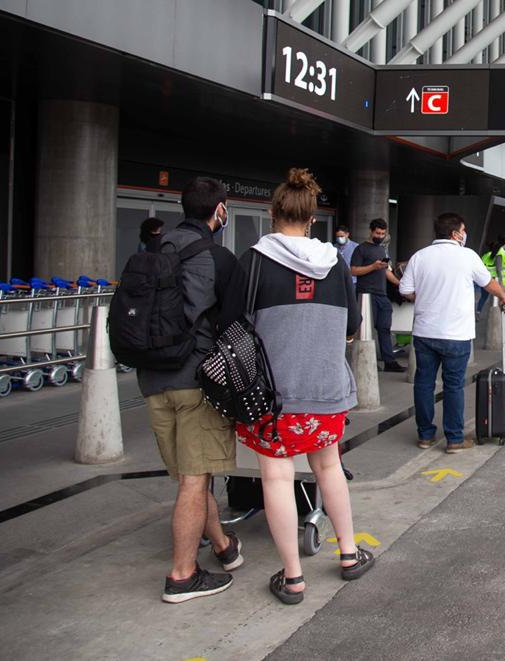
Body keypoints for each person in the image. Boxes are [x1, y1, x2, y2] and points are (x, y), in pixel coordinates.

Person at [220, 168, 373, 604]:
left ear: (273, 213)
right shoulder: (336, 265)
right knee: (329, 468)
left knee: (277, 476)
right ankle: (348, 554)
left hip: (272, 397)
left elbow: (231, 325)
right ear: (311, 218)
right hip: (326, 391)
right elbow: (351, 328)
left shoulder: (253, 260)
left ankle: (293, 578)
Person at [139, 178, 243, 604]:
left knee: (190, 477)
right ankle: (182, 575)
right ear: (219, 210)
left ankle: (222, 545)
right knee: (195, 480)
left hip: (152, 381)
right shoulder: (218, 257)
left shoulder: (153, 251)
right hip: (195, 382)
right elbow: (237, 325)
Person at [399, 213, 505, 453]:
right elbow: (488, 282)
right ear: (455, 234)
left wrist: (425, 298)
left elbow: (405, 289)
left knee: (424, 383)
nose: (464, 234)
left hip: (425, 332)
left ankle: (425, 436)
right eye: (463, 230)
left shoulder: (419, 257)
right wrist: (503, 297)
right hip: (456, 334)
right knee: (453, 386)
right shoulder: (467, 256)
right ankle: (454, 439)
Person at [350, 219, 405, 372]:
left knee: (385, 327)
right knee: (365, 329)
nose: (380, 236)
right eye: (377, 233)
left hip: (382, 294)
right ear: (371, 231)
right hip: (366, 294)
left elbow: (386, 271)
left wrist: (400, 283)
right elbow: (353, 270)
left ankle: (389, 361)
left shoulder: (381, 250)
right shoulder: (361, 249)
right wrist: (373, 266)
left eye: (382, 233)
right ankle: (364, 361)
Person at [478, 234, 505, 314]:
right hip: (499, 282)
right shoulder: (501, 252)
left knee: (486, 299)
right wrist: (501, 285)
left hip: (492, 280)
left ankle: (479, 313)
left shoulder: (489, 254)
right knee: (500, 304)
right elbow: (499, 269)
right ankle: (498, 324)